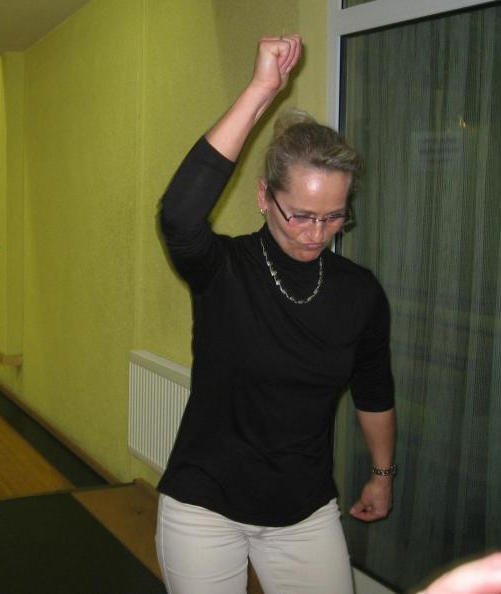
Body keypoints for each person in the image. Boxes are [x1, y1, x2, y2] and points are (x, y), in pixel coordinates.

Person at [156, 34, 397, 594]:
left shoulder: (359, 293)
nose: (316, 234)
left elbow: (374, 390)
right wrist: (261, 89)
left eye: (333, 218)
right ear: (264, 196)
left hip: (304, 509)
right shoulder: (223, 270)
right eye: (301, 215)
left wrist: (382, 476)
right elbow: (179, 216)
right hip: (204, 506)